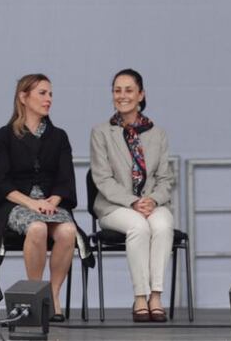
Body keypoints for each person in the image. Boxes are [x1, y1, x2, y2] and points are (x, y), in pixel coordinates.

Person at [0, 73, 84, 322]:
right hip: (15, 203)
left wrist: (53, 201)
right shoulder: (3, 137)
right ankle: (35, 295)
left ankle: (53, 296)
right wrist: (32, 203)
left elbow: (65, 179)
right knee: (36, 228)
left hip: (50, 203)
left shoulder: (59, 137)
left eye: (50, 94)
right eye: (42, 93)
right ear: (23, 97)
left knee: (68, 231)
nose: (48, 99)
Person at [89, 68, 175, 323]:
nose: (122, 95)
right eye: (117, 90)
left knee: (163, 223)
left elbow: (165, 179)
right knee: (139, 226)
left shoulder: (158, 134)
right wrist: (133, 202)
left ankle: (156, 296)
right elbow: (102, 179)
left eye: (128, 90)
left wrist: (153, 200)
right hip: (115, 206)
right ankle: (140, 296)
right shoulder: (101, 132)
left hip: (151, 202)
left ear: (141, 95)